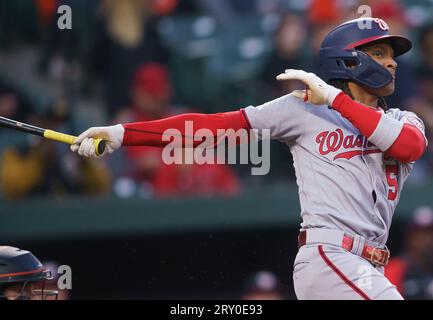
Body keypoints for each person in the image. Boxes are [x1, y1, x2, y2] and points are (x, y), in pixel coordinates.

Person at [71, 17, 428, 300]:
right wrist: (122, 133)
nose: (392, 63)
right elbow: (214, 126)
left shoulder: (401, 120)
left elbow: (409, 148)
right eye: (380, 53)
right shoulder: (302, 109)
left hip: (370, 264)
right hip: (330, 256)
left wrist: (335, 98)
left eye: (391, 55)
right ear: (350, 59)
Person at [385, 206, 433, 299]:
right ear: (409, 237)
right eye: (420, 234)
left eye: (429, 233)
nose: (427, 240)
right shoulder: (395, 267)